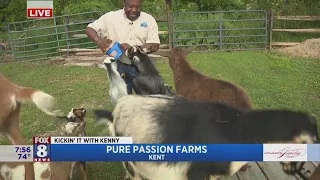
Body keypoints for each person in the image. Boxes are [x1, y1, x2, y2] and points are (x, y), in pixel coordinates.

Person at [85, 0, 161, 94]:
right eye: (130, 6)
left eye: (138, 7)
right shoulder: (110, 17)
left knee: (148, 98)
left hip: (142, 65)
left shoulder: (148, 20)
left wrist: (134, 49)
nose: (134, 10)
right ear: (123, 4)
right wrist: (98, 40)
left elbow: (155, 45)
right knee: (123, 98)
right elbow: (90, 29)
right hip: (119, 64)